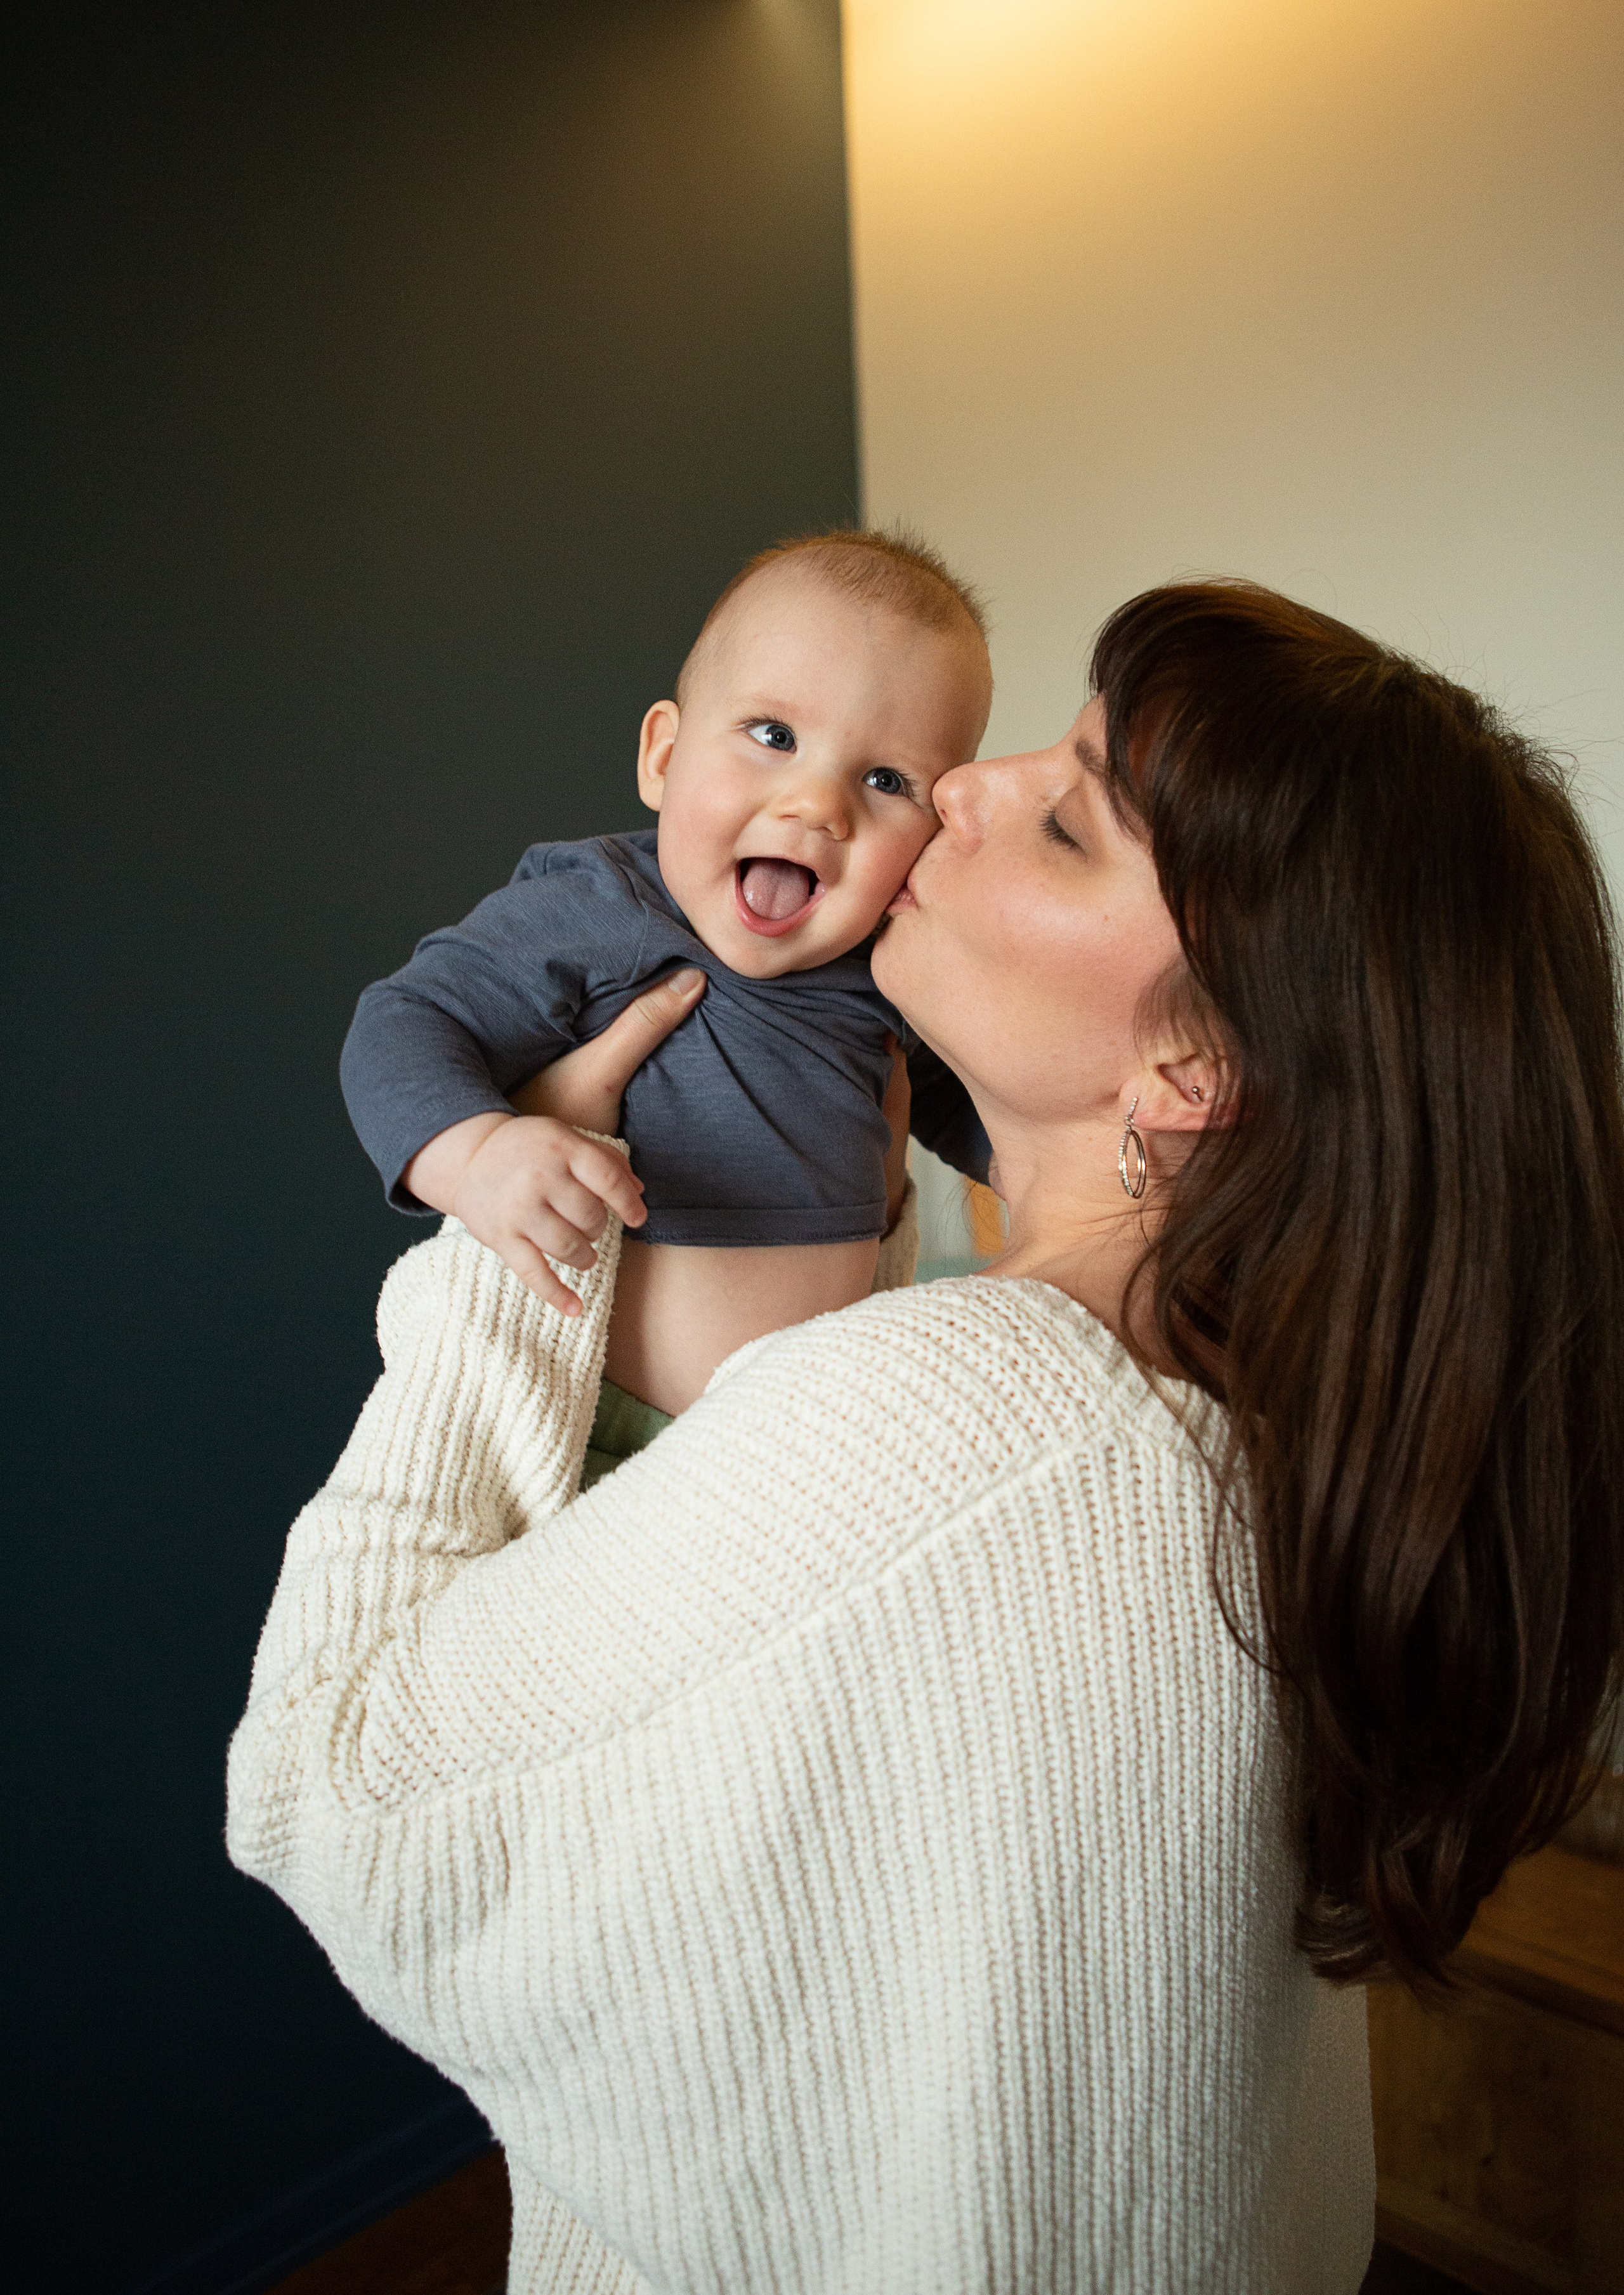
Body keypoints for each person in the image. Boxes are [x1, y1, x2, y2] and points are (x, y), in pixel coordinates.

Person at [228, 581, 1624, 2293]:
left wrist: (512, 1243)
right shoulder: (1274, 1428)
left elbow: (326, 1783)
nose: (954, 787)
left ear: (1191, 1070)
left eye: (1066, 820)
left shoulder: (954, 1421)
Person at [340, 527, 994, 1422]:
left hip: (797, 1432)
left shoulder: (888, 962)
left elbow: (976, 1103)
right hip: (597, 1429)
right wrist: (477, 1155)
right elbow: (406, 1020)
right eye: (774, 735)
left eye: (887, 780)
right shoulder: (602, 905)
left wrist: (1086, 1182)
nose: (817, 805)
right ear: (663, 756)